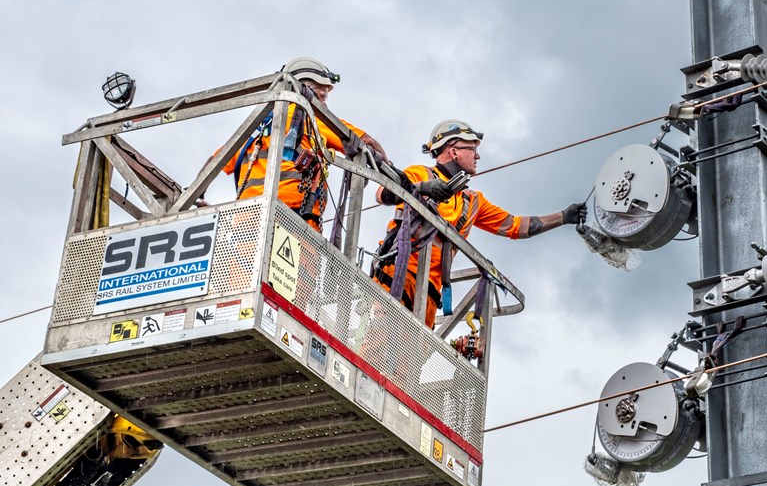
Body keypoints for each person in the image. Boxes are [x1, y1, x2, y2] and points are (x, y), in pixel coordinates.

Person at [373, 119, 586, 328]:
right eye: (472, 148)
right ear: (453, 151)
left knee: (409, 359)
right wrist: (421, 188)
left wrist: (563, 217)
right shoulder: (420, 173)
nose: (478, 155)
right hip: (397, 275)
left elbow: (515, 226)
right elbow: (382, 193)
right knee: (380, 343)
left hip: (431, 292)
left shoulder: (473, 201)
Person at [222, 57, 386, 230]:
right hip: (298, 218)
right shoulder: (315, 119)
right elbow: (367, 142)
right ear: (306, 90)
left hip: (247, 220)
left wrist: (195, 193)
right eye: (322, 96)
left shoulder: (258, 126)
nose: (324, 103)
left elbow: (217, 160)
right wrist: (389, 171)